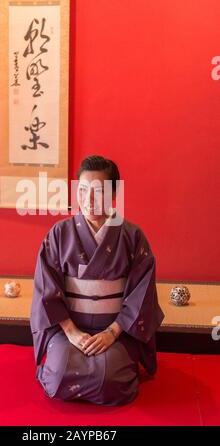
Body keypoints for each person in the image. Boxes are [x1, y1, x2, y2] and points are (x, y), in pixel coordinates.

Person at [30, 155, 164, 406]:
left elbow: (141, 294)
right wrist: (71, 332)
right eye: (82, 190)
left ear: (114, 193)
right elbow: (46, 289)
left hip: (116, 329)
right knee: (58, 378)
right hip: (69, 329)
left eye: (98, 192)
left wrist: (112, 333)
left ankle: (120, 363)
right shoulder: (59, 233)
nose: (88, 200)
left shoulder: (132, 236)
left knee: (111, 382)